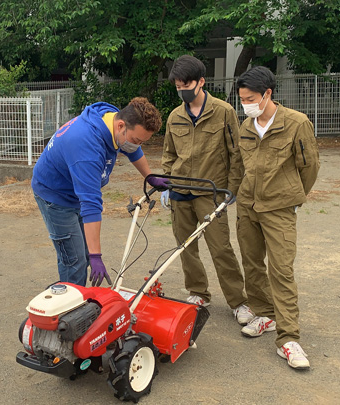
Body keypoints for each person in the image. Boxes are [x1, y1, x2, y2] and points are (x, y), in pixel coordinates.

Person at [234, 66, 320, 370]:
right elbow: (239, 167)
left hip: (279, 208)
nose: (245, 103)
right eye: (242, 98)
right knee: (252, 263)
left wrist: (293, 197)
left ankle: (288, 338)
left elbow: (309, 167)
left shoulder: (296, 123)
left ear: (268, 93)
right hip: (247, 206)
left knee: (281, 269)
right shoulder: (246, 126)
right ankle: (265, 314)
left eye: (250, 98)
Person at [32, 97, 168, 287]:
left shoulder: (111, 119)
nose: (137, 145)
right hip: (55, 195)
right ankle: (70, 309)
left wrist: (150, 176)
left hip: (75, 188)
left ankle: (78, 295)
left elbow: (132, 149)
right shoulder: (86, 148)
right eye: (137, 140)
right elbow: (90, 204)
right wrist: (96, 256)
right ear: (121, 126)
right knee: (74, 260)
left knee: (84, 252)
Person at [160, 55, 254, 326]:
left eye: (186, 84)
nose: (182, 89)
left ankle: (238, 301)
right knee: (186, 247)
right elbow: (169, 153)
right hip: (180, 191)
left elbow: (236, 153)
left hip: (210, 192)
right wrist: (166, 184)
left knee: (220, 248)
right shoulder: (175, 116)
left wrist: (231, 190)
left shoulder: (223, 112)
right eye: (178, 85)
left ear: (201, 82)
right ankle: (198, 292)